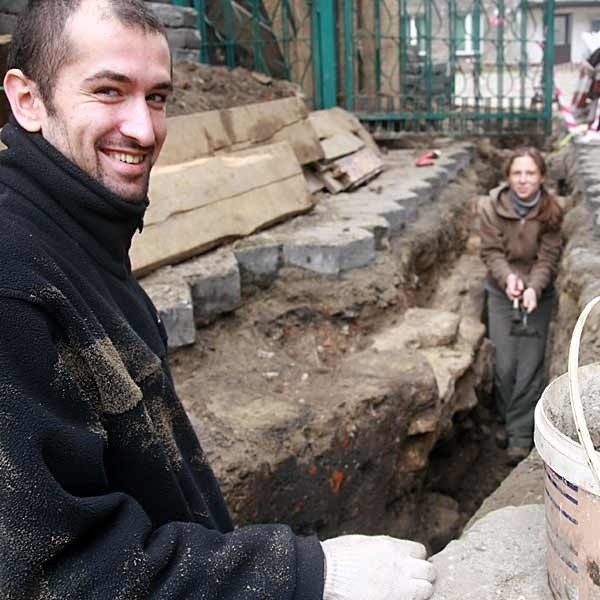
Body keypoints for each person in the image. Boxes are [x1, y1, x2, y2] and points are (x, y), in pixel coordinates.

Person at [0, 1, 437, 598]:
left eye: (157, 97)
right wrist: (309, 575)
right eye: (108, 90)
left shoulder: (77, 236)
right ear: (27, 99)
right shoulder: (15, 283)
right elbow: (55, 575)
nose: (144, 129)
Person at [480, 146, 563, 466]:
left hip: (537, 296)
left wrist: (533, 288)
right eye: (517, 173)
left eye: (530, 173)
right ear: (507, 177)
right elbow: (491, 252)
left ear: (541, 176)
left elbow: (548, 257)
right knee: (503, 365)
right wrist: (510, 281)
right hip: (501, 292)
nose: (524, 180)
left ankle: (519, 434)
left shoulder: (552, 210)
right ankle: (506, 416)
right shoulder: (490, 208)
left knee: (529, 367)